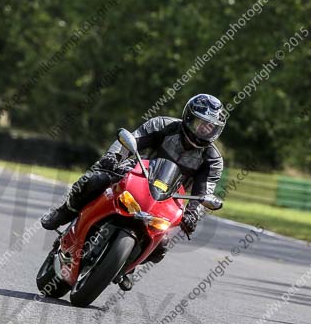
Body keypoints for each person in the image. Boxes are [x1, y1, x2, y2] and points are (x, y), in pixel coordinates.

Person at [41, 93, 226, 262]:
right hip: (136, 174)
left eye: (210, 128)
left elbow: (204, 192)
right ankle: (64, 212)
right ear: (188, 117)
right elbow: (131, 140)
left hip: (168, 199)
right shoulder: (163, 125)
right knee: (94, 181)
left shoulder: (213, 159)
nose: (203, 131)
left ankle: (128, 265)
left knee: (162, 245)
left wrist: (193, 214)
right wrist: (112, 157)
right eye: (199, 123)